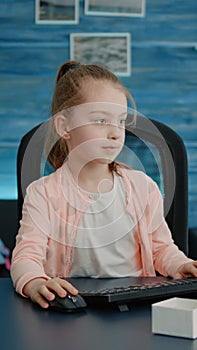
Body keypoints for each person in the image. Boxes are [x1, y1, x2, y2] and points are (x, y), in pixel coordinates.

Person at [11, 61, 197, 309]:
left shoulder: (143, 188)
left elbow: (162, 250)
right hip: (75, 310)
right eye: (100, 120)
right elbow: (26, 256)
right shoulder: (43, 194)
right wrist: (34, 282)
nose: (115, 133)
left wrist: (180, 264)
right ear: (64, 127)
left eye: (120, 121)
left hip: (137, 309)